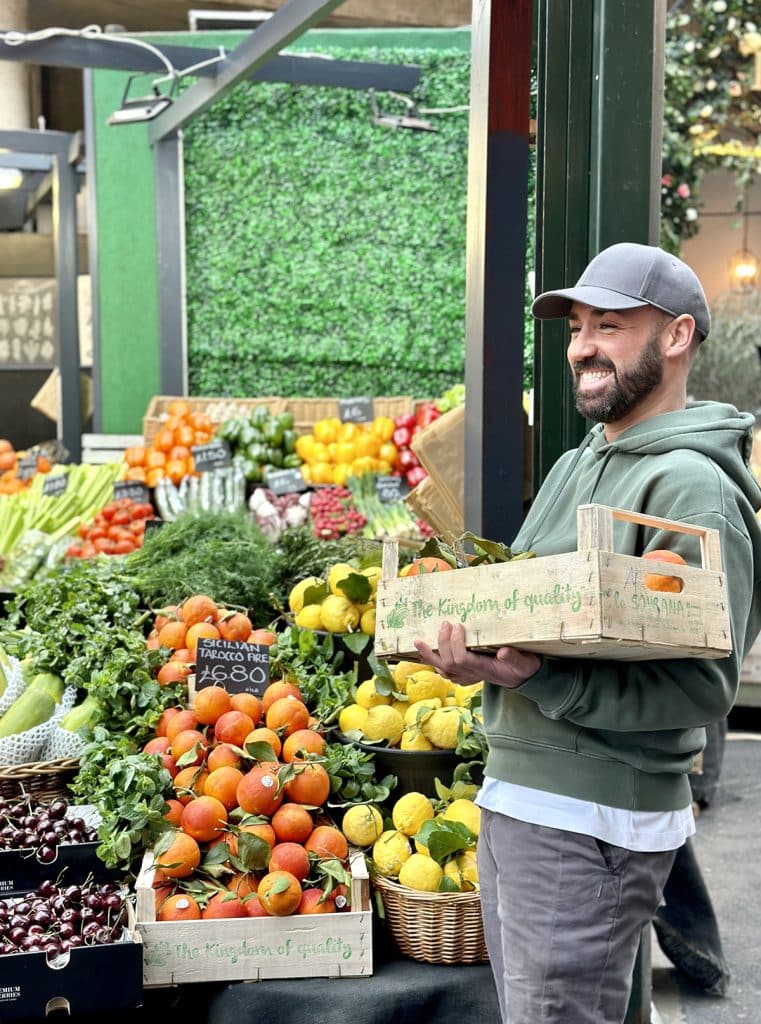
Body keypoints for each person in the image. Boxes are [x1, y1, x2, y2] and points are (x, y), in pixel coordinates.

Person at [414, 242, 761, 1024]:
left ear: (675, 338)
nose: (580, 348)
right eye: (576, 327)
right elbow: (535, 612)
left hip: (592, 818)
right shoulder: (582, 461)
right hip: (524, 797)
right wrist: (478, 650)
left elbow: (703, 685)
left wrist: (537, 677)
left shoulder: (691, 487)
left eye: (608, 325)